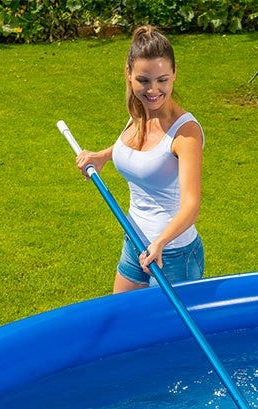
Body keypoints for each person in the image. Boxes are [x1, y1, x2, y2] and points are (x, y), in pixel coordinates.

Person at [76, 25, 205, 293]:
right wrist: (102, 156)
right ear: (129, 74)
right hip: (134, 241)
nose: (153, 90)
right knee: (120, 316)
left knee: (162, 324)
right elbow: (140, 151)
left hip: (172, 254)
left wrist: (160, 243)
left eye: (162, 80)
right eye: (144, 80)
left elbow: (191, 207)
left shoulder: (186, 133)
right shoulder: (140, 113)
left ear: (174, 73)